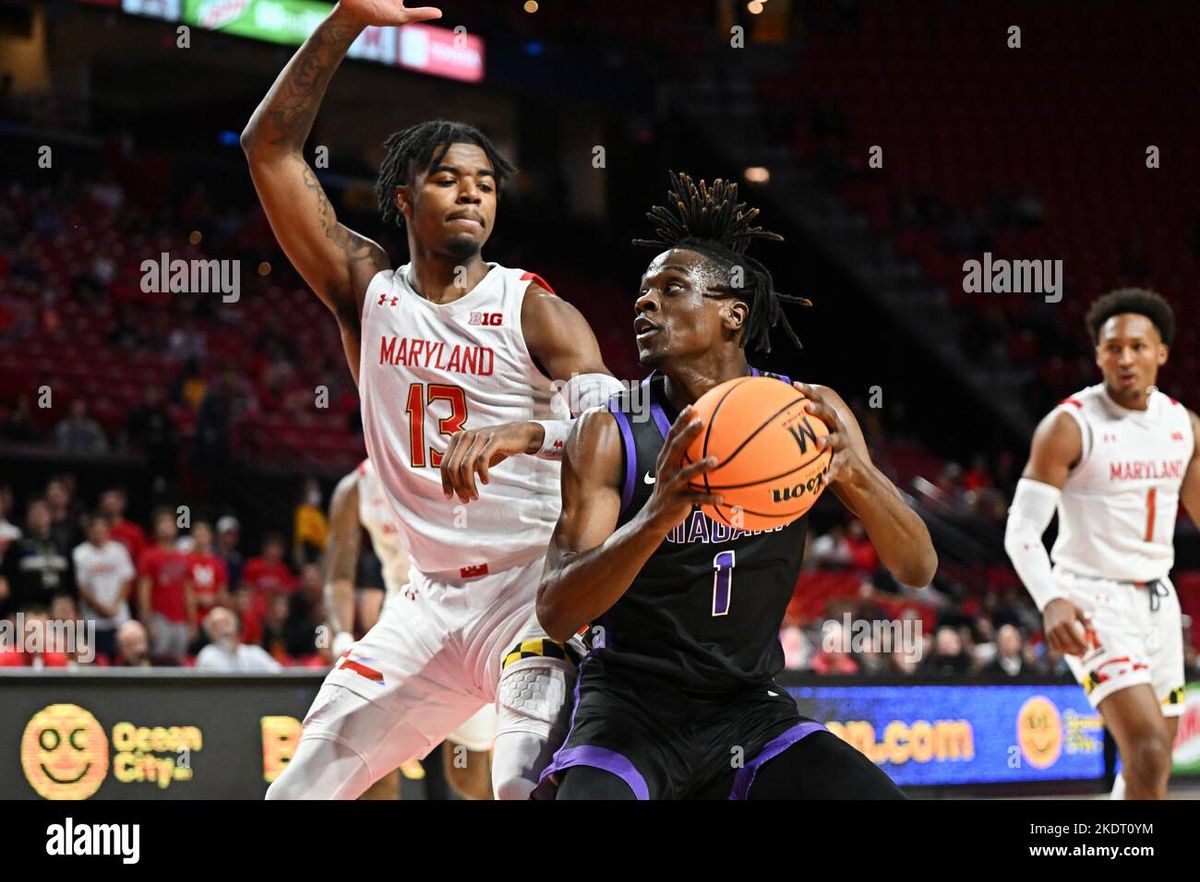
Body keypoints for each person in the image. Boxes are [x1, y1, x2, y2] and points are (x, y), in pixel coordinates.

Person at [243, 0, 622, 800]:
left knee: (523, 787)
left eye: (485, 183)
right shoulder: (366, 291)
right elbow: (269, 148)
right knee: (296, 793)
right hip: (431, 599)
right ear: (403, 197)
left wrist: (529, 430)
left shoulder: (535, 309)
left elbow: (620, 429)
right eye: (447, 178)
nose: (471, 195)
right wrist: (346, 19)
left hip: (539, 588)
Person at [534, 173, 936, 799]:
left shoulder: (808, 412)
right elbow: (557, 612)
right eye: (641, 293)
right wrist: (656, 517)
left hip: (751, 709)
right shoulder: (609, 432)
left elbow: (917, 566)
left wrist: (857, 475)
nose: (645, 303)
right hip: (630, 714)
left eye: (671, 290)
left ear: (733, 314)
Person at [1005, 288, 1200, 800]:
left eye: (1138, 346)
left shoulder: (1184, 426)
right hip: (1092, 599)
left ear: (1162, 352)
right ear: (1098, 356)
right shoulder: (1069, 426)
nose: (1126, 358)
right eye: (1113, 348)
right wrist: (1051, 600)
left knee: (1153, 763)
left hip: (1158, 599)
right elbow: (1021, 530)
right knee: (1150, 749)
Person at [325, 458, 496, 799]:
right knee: (367, 757)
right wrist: (342, 635)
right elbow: (339, 578)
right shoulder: (357, 485)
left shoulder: (461, 462)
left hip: (466, 626)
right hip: (401, 623)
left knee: (468, 773)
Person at [72, 514, 136, 662]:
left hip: (119, 616)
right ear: (88, 532)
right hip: (94, 618)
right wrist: (100, 608)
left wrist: (115, 605)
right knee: (98, 659)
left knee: (121, 658)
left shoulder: (119, 550)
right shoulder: (80, 553)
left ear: (108, 531)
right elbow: (82, 587)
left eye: (102, 530)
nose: (99, 534)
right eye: (95, 530)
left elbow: (126, 580)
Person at [195, 608, 282, 672]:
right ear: (211, 634)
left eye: (227, 623)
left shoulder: (254, 653)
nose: (224, 629)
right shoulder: (207, 655)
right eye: (217, 626)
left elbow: (278, 674)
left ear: (235, 626)